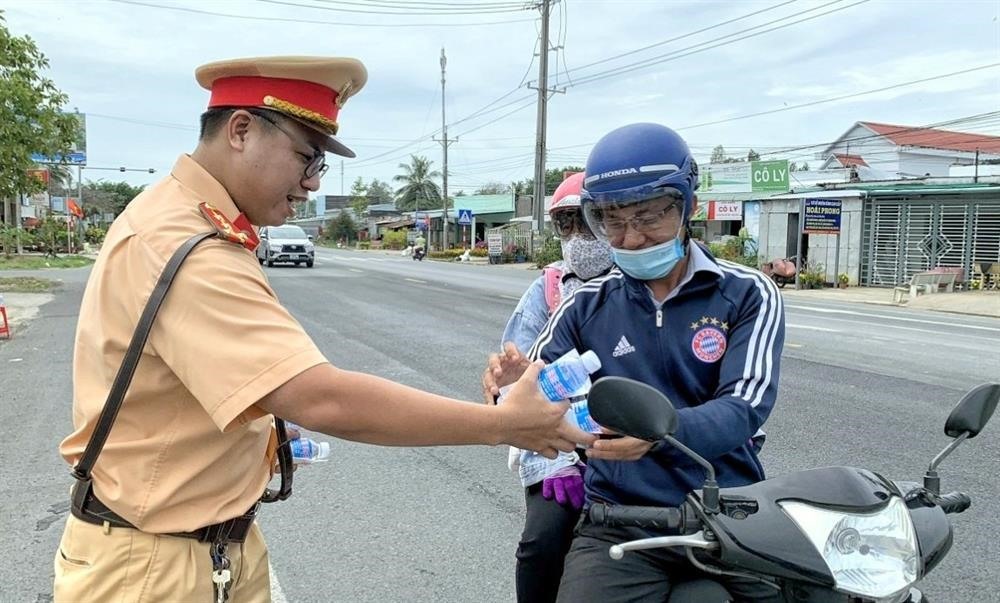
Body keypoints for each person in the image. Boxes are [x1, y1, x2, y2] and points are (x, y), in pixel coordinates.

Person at [53, 55, 593, 603]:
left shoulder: (188, 218)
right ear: (240, 130)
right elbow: (321, 397)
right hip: (155, 566)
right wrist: (503, 425)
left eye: (320, 166)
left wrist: (255, 437)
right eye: (306, 156)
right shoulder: (187, 245)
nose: (311, 183)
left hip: (201, 546)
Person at [492, 123, 785, 602]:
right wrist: (510, 388)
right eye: (612, 221)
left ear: (688, 205)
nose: (631, 239)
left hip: (727, 510)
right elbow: (536, 394)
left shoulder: (747, 293)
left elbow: (744, 406)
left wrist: (659, 435)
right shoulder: (583, 305)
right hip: (618, 518)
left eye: (648, 216)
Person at [482, 172, 614, 603]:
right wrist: (552, 463)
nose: (577, 236)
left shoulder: (641, 284)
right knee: (542, 544)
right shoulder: (550, 289)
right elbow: (514, 384)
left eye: (586, 221)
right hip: (558, 442)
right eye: (565, 223)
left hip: (635, 439)